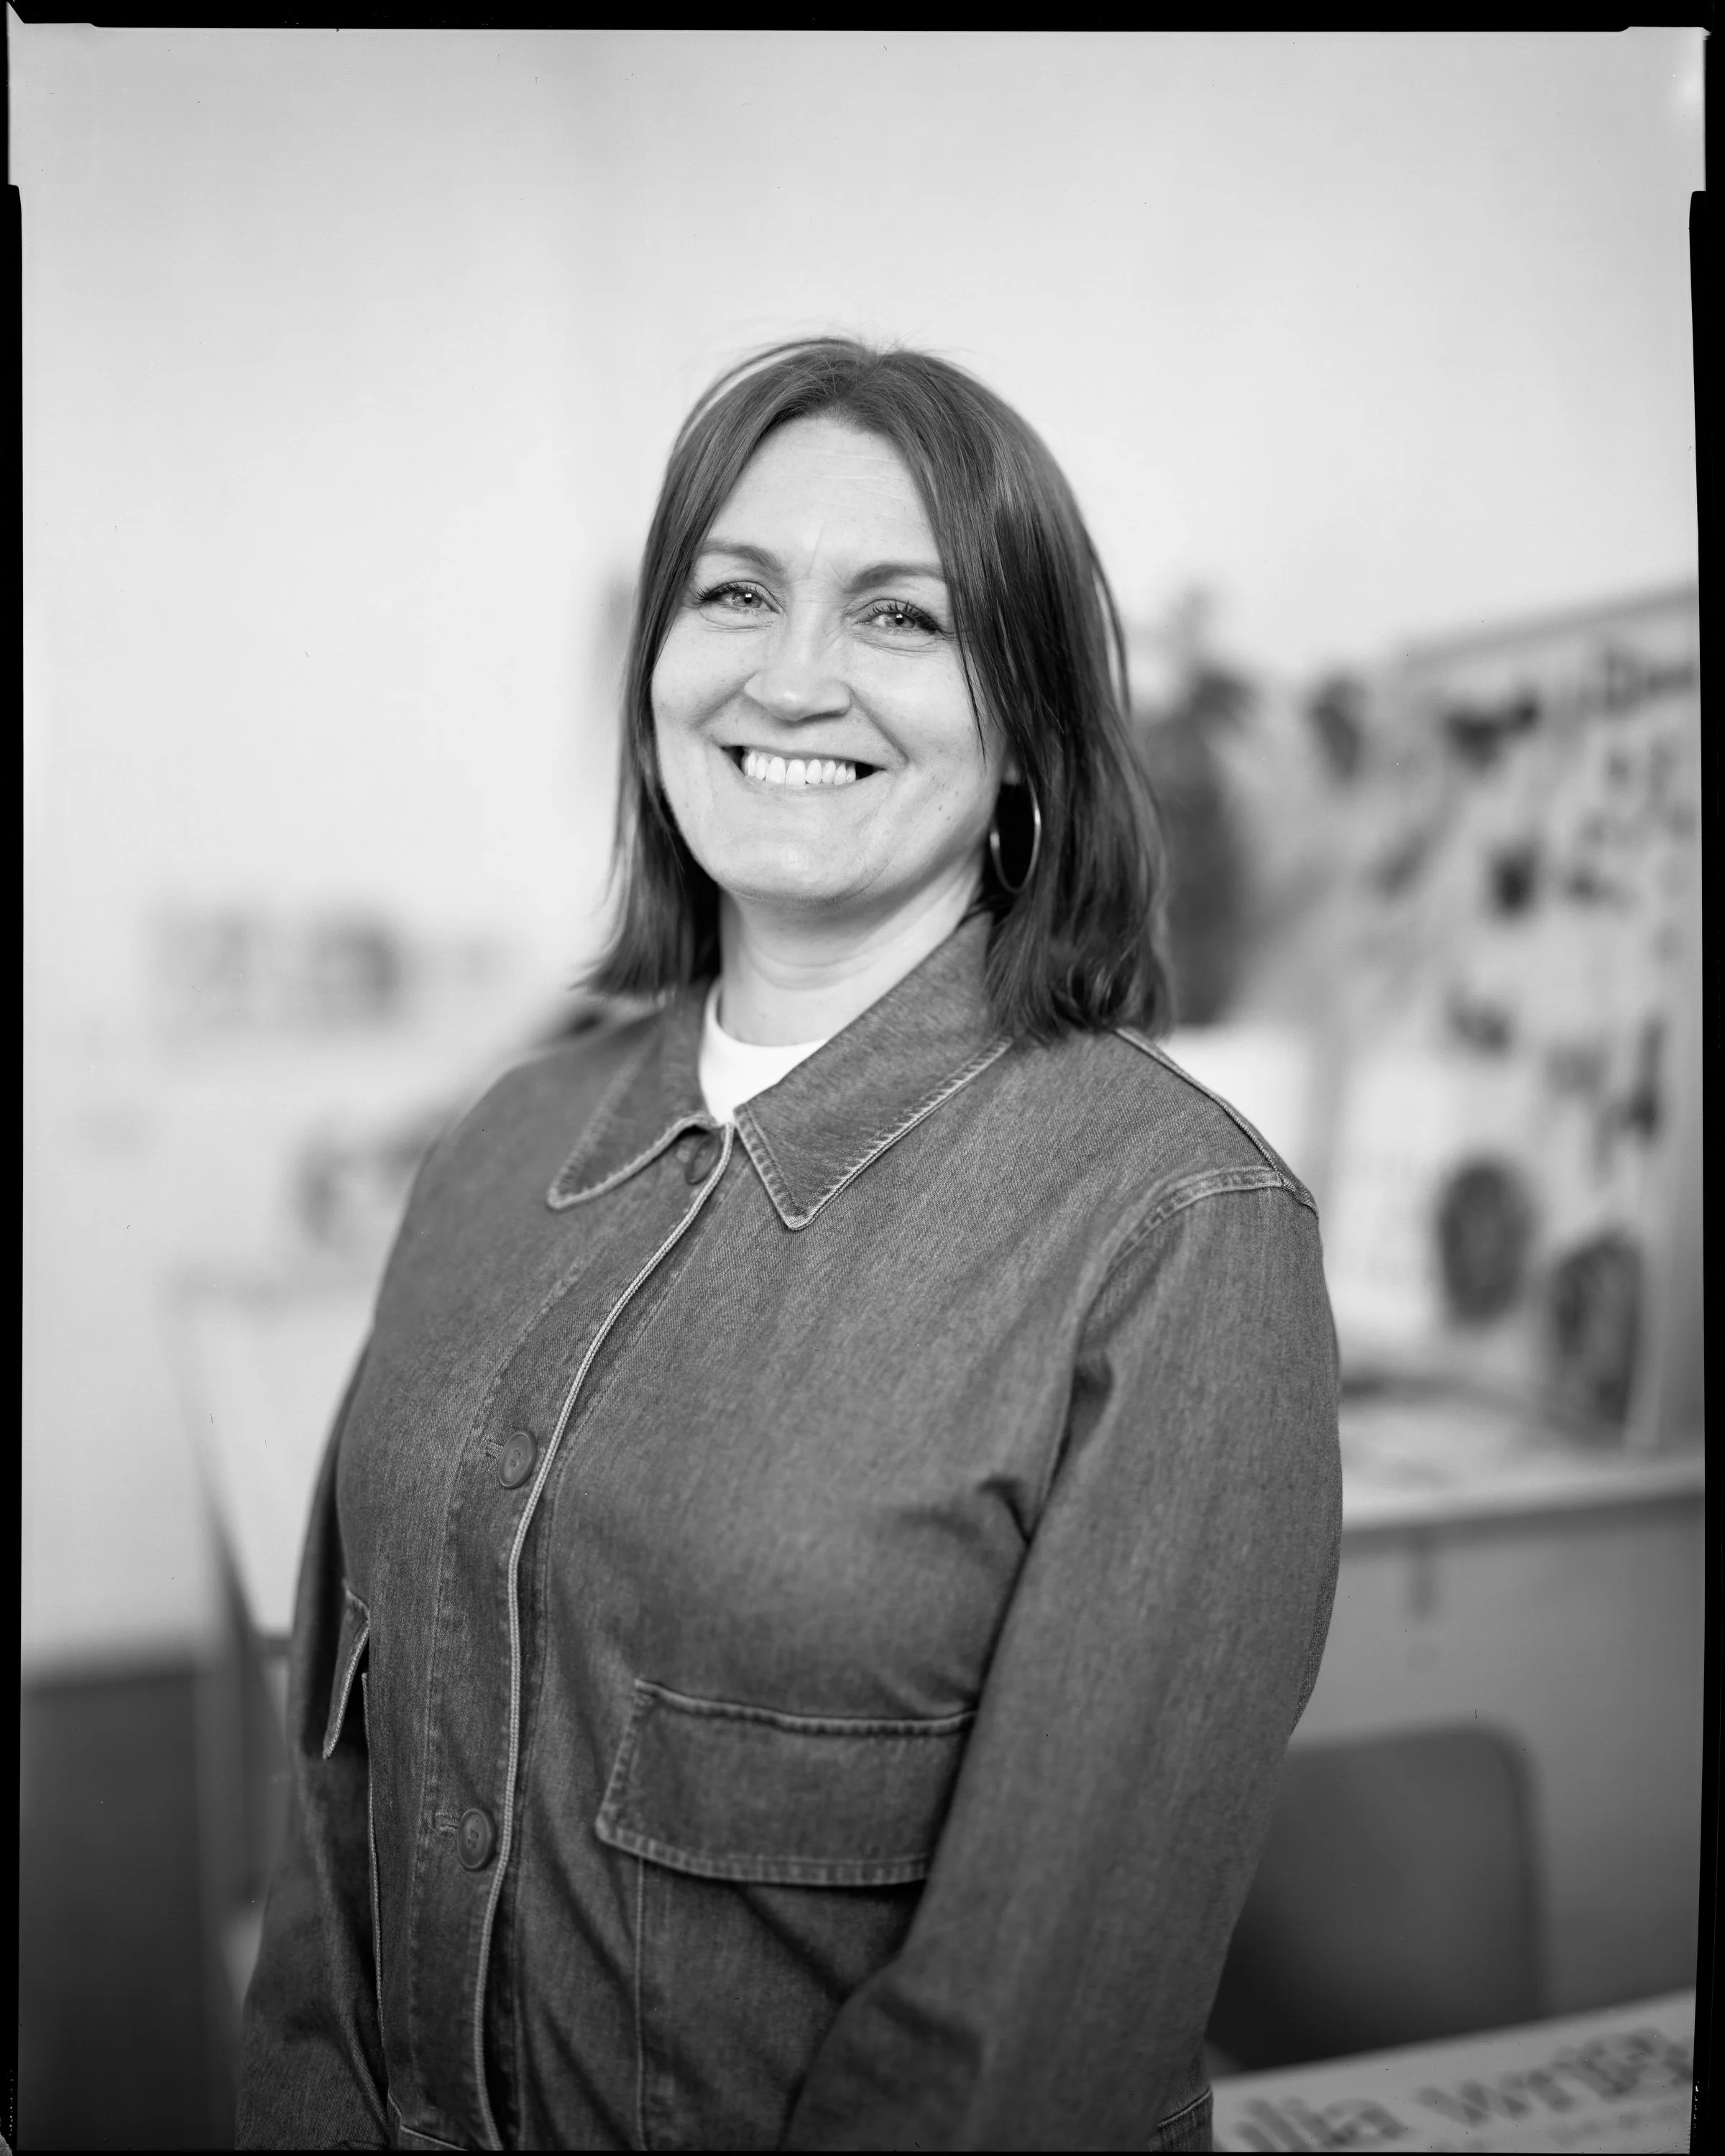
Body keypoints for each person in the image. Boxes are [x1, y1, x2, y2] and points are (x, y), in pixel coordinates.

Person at [239, 338, 1341, 2154]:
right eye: (735, 593)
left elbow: (1015, 2072)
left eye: (902, 617)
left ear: (1031, 727)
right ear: (659, 671)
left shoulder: (1176, 1237)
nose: (793, 672)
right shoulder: (503, 1144)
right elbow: (329, 1835)